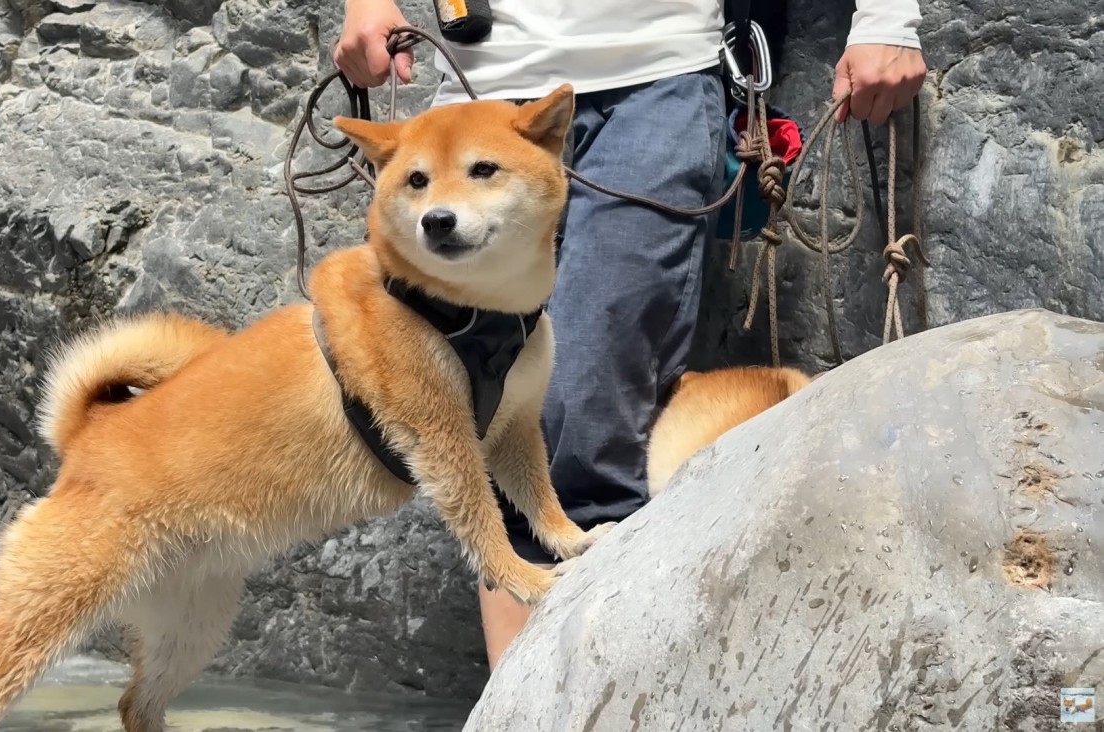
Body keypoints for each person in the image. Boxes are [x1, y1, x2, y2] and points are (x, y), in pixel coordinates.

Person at [334, 0, 927, 670]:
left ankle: (585, 696)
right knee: (494, 428)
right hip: (479, 83)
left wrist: (887, 19)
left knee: (588, 425)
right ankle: (526, 705)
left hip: (652, 70)